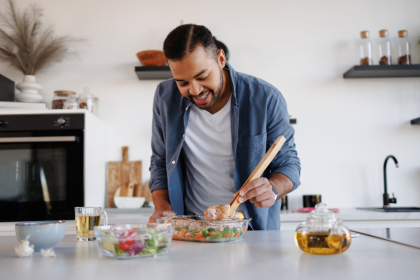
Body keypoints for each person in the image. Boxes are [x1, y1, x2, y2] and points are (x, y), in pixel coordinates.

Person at [148, 24, 300, 230]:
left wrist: (273, 188)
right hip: (191, 229)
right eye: (182, 82)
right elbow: (159, 161)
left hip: (251, 231)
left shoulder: (265, 98)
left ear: (221, 59)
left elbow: (289, 164)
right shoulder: (165, 97)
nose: (195, 90)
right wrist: (162, 208)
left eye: (202, 77)